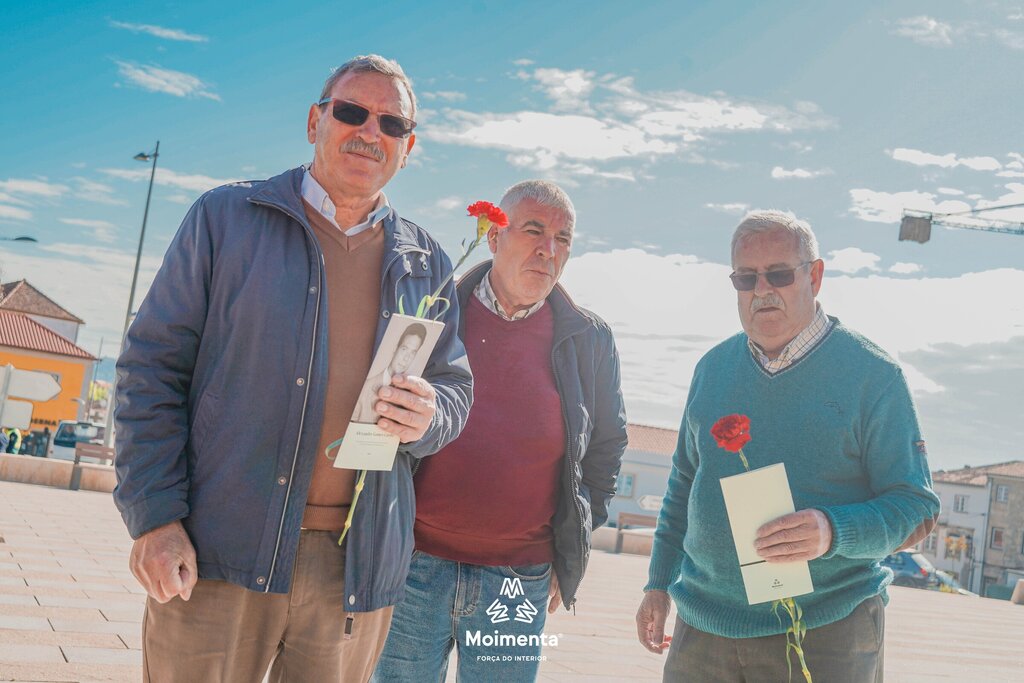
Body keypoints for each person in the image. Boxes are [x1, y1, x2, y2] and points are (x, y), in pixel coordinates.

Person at [113, 54, 472, 683]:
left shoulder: (429, 262)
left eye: (391, 123)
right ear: (315, 121)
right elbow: (150, 370)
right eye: (352, 112)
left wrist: (430, 414)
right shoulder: (224, 218)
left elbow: (454, 387)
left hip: (351, 571)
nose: (370, 132)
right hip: (216, 552)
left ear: (408, 147)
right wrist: (156, 518)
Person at [635, 210, 940, 682]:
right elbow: (683, 485)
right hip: (702, 631)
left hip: (828, 631)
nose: (761, 290)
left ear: (814, 277)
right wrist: (658, 583)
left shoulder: (874, 376)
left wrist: (831, 531)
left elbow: (916, 509)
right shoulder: (711, 369)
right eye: (746, 278)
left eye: (778, 274)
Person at [374, 180, 628, 682]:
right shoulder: (432, 313)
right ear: (493, 237)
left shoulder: (590, 339)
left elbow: (606, 448)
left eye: (563, 238)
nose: (548, 249)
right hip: (414, 568)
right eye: (533, 230)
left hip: (518, 579)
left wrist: (569, 546)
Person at [352, 322, 427, 423]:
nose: (406, 358)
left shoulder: (414, 393)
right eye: (404, 349)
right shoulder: (366, 387)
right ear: (395, 349)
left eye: (413, 352)